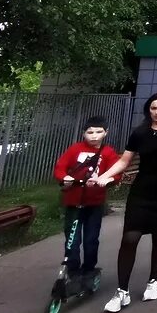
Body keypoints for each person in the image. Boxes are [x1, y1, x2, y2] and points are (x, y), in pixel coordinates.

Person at [93, 92, 157, 313]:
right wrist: (104, 176)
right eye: (153, 108)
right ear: (148, 110)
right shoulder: (139, 132)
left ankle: (153, 282)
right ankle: (122, 291)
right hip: (142, 190)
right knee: (130, 237)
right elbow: (125, 160)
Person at [51, 115, 120, 279]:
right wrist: (64, 178)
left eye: (98, 132)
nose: (94, 136)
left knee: (91, 239)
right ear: (84, 133)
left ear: (106, 133)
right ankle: (72, 268)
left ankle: (89, 268)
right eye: (90, 132)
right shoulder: (75, 149)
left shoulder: (108, 152)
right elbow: (60, 168)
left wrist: (107, 180)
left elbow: (116, 173)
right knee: (72, 238)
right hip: (74, 201)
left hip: (94, 203)